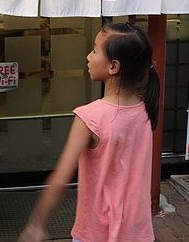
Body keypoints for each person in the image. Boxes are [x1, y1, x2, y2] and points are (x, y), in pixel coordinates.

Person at [19, 21, 160, 242]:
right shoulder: (144, 109)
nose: (88, 56)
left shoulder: (89, 117)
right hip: (136, 231)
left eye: (95, 50)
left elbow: (60, 177)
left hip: (96, 232)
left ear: (113, 67)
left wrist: (36, 224)